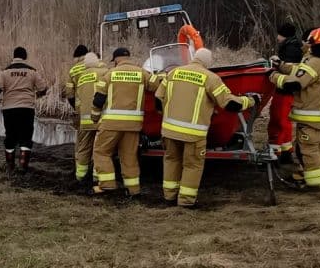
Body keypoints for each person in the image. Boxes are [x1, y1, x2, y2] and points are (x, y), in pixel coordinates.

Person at [156, 48, 257, 207]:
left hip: (169, 131)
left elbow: (158, 98)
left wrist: (167, 115)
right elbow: (230, 103)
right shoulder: (210, 78)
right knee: (192, 165)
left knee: (171, 160)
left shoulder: (173, 73)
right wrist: (250, 101)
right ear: (208, 62)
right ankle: (186, 201)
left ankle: (169, 196)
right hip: (193, 134)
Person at [270, 27, 320, 190]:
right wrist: (282, 65)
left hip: (310, 116)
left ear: (315, 44)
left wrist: (273, 76)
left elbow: (295, 83)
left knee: (308, 150)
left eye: (308, 41)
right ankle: (318, 174)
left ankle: (314, 183)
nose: (305, 44)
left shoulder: (314, 62)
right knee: (319, 148)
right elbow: (301, 71)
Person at [90, 47, 160, 197]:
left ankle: (107, 185)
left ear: (116, 59)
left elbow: (98, 100)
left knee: (101, 152)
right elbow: (158, 86)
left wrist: (94, 118)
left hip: (111, 124)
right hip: (133, 126)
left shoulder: (109, 74)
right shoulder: (142, 73)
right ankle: (133, 189)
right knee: (129, 157)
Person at [0, 47, 49, 173]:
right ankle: (23, 166)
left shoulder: (5, 72)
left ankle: (10, 166)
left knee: (10, 136)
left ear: (13, 57)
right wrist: (36, 95)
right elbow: (43, 89)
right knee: (26, 136)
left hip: (9, 109)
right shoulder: (32, 72)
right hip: (27, 109)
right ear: (25, 57)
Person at [268, 22, 303, 163]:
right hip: (284, 90)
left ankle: (278, 152)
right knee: (281, 120)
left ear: (285, 35)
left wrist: (276, 67)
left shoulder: (291, 49)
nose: (277, 37)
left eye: (279, 34)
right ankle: (284, 149)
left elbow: (289, 71)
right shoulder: (292, 47)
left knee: (280, 120)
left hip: (284, 90)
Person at [72, 52, 107, 182]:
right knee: (100, 149)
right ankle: (97, 177)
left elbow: (77, 100)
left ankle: (80, 176)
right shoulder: (105, 72)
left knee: (84, 148)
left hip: (85, 119)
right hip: (100, 118)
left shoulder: (82, 77)